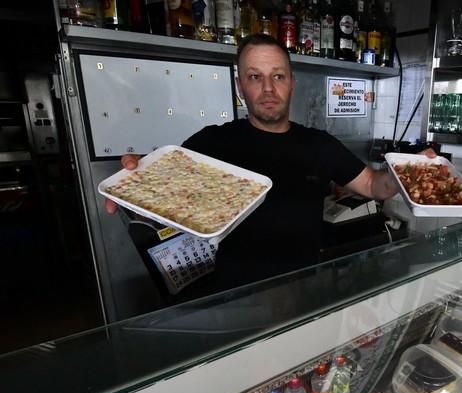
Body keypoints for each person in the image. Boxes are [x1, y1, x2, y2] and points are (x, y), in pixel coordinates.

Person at [106, 33, 433, 292]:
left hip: (305, 290)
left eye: (278, 76)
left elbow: (375, 186)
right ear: (240, 88)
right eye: (254, 76)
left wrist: (407, 171)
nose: (267, 88)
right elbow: (160, 191)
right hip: (235, 295)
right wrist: (134, 182)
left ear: (292, 83)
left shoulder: (318, 144)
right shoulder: (212, 142)